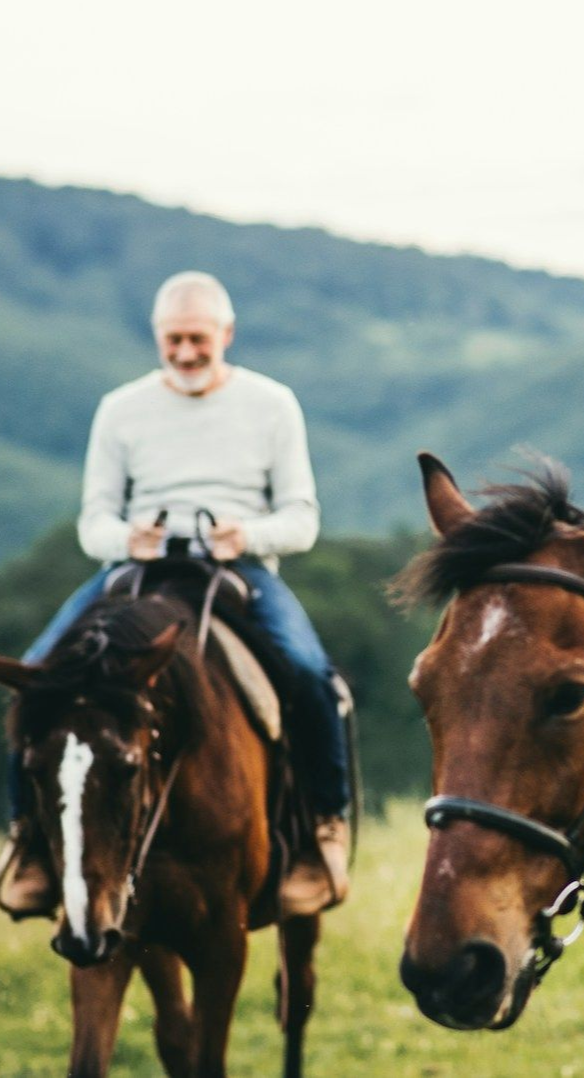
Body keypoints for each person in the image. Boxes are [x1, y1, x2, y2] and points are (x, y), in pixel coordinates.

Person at [1, 270, 350, 918]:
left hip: (241, 571)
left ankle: (325, 828)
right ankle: (27, 839)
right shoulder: (121, 407)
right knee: (37, 676)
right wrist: (125, 538)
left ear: (226, 334)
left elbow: (303, 519)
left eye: (198, 339)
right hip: (136, 570)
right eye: (173, 340)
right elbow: (93, 520)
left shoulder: (272, 403)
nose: (186, 352)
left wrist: (247, 533)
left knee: (308, 672)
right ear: (157, 337)